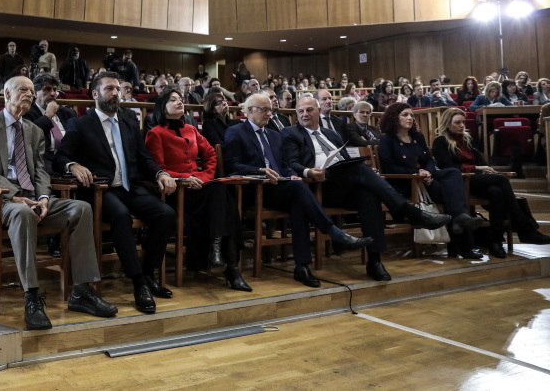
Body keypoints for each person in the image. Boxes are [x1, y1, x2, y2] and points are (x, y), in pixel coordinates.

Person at [0, 76, 117, 330]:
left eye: (30, 90)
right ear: (6, 93)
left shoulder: (35, 130)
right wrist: (15, 194)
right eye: (22, 89)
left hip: (33, 197)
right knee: (23, 213)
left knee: (81, 209)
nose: (28, 93)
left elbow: (39, 172)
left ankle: (81, 291)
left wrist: (45, 197)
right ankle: (32, 298)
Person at [281, 96, 451, 282]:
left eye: (309, 110)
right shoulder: (291, 133)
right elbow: (292, 163)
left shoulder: (332, 135)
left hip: (343, 184)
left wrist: (368, 173)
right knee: (361, 169)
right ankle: (408, 212)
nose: (305, 114)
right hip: (317, 186)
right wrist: (308, 172)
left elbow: (346, 161)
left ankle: (374, 261)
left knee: (369, 194)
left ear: (318, 111)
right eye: (300, 111)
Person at [55, 72, 177, 314]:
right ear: (95, 94)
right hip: (102, 190)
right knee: (121, 215)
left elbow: (144, 159)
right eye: (109, 88)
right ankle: (138, 283)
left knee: (166, 213)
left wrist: (160, 173)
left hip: (131, 188)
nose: (115, 93)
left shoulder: (130, 122)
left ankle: (149, 273)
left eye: (117, 89)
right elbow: (61, 157)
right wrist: (74, 166)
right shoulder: (80, 124)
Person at [225, 93, 373, 288]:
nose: (270, 114)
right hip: (256, 188)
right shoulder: (236, 131)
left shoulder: (274, 134)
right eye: (264, 110)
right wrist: (259, 170)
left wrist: (291, 174)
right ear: (250, 110)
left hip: (281, 186)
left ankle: (302, 266)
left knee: (298, 201)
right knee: (298, 190)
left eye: (271, 110)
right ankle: (332, 232)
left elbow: (284, 164)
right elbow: (232, 165)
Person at [145, 88, 251, 290]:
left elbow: (211, 155)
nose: (179, 102)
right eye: (173, 100)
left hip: (200, 188)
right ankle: (228, 264)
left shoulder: (191, 130)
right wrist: (186, 178)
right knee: (222, 196)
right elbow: (159, 169)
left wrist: (202, 177)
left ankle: (225, 258)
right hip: (176, 192)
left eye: (180, 99)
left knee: (221, 191)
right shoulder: (155, 133)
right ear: (162, 107)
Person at [432, 108, 550, 257]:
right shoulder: (440, 141)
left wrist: (482, 168)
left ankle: (495, 241)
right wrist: (477, 168)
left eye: (463, 122)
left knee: (496, 192)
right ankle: (525, 228)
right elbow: (448, 167)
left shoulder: (467, 139)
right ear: (447, 123)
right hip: (460, 182)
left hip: (477, 179)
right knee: (500, 179)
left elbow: (481, 161)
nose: (462, 125)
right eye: (457, 122)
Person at [377, 103, 484, 259]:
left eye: (411, 115)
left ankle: (460, 222)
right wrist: (416, 173)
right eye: (405, 115)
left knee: (454, 173)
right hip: (407, 183)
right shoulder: (387, 140)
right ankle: (463, 245)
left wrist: (428, 172)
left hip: (426, 178)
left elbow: (429, 160)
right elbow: (388, 168)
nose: (410, 118)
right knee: (450, 193)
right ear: (394, 117)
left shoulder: (417, 137)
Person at [23, 73, 76, 175]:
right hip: (44, 160)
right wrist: (48, 116)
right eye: (47, 89)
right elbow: (30, 136)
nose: (53, 93)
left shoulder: (67, 113)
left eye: (55, 90)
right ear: (34, 93)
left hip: (67, 159)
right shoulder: (27, 113)